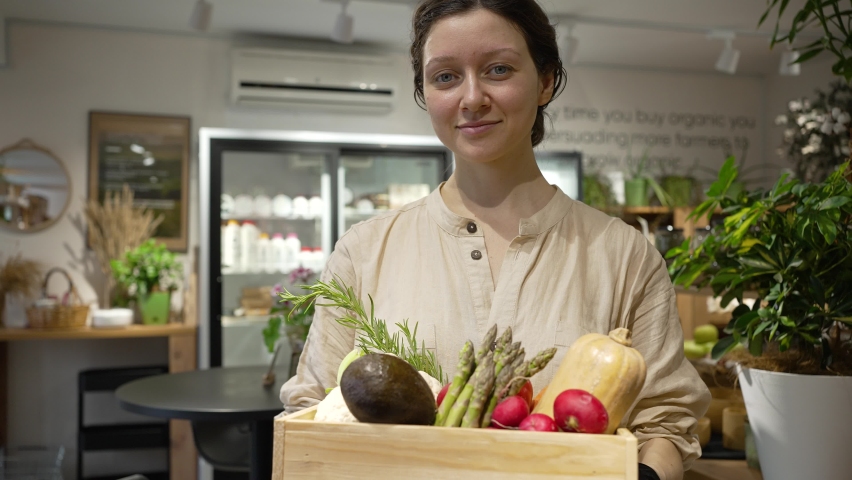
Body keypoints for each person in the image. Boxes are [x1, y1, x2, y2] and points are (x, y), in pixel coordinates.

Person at [281, 0, 710, 478]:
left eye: (498, 69)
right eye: (445, 77)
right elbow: (312, 412)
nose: (471, 98)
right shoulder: (364, 251)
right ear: (425, 92)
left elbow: (666, 424)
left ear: (546, 81)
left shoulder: (624, 256)